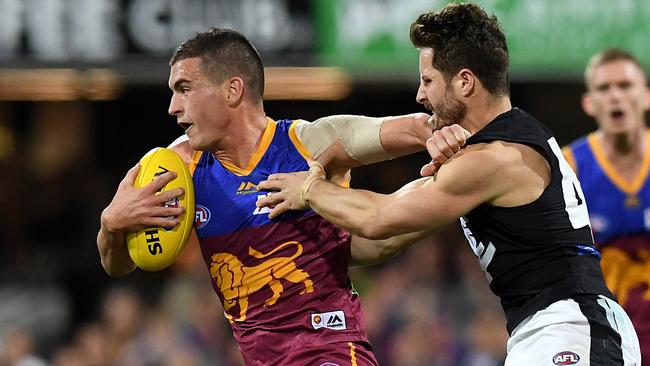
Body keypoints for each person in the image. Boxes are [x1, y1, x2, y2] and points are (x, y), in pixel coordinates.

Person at [255, 3, 642, 364]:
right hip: (551, 329)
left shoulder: (495, 158)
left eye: (427, 80)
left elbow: (378, 218)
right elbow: (384, 238)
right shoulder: (490, 152)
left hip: (573, 326)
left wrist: (311, 188)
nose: (420, 94)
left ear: (465, 82)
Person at [96, 27, 436, 365]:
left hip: (330, 353)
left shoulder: (308, 144)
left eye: (184, 89)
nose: (172, 107)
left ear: (232, 90)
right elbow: (120, 263)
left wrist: (442, 136)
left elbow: (410, 128)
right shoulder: (179, 169)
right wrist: (112, 225)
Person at [562, 48, 650, 364]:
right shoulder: (568, 168)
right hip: (604, 337)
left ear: (646, 96)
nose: (615, 96)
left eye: (625, 86)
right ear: (589, 102)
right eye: (604, 88)